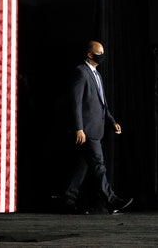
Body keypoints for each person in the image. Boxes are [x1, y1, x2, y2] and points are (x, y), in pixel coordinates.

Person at [61, 40, 133, 214]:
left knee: (82, 166)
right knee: (98, 165)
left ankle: (68, 200)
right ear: (90, 54)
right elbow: (75, 103)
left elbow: (102, 105)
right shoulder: (81, 72)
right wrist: (79, 128)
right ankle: (112, 200)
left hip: (96, 129)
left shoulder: (97, 75)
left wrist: (112, 121)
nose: (103, 56)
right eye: (99, 53)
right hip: (87, 130)